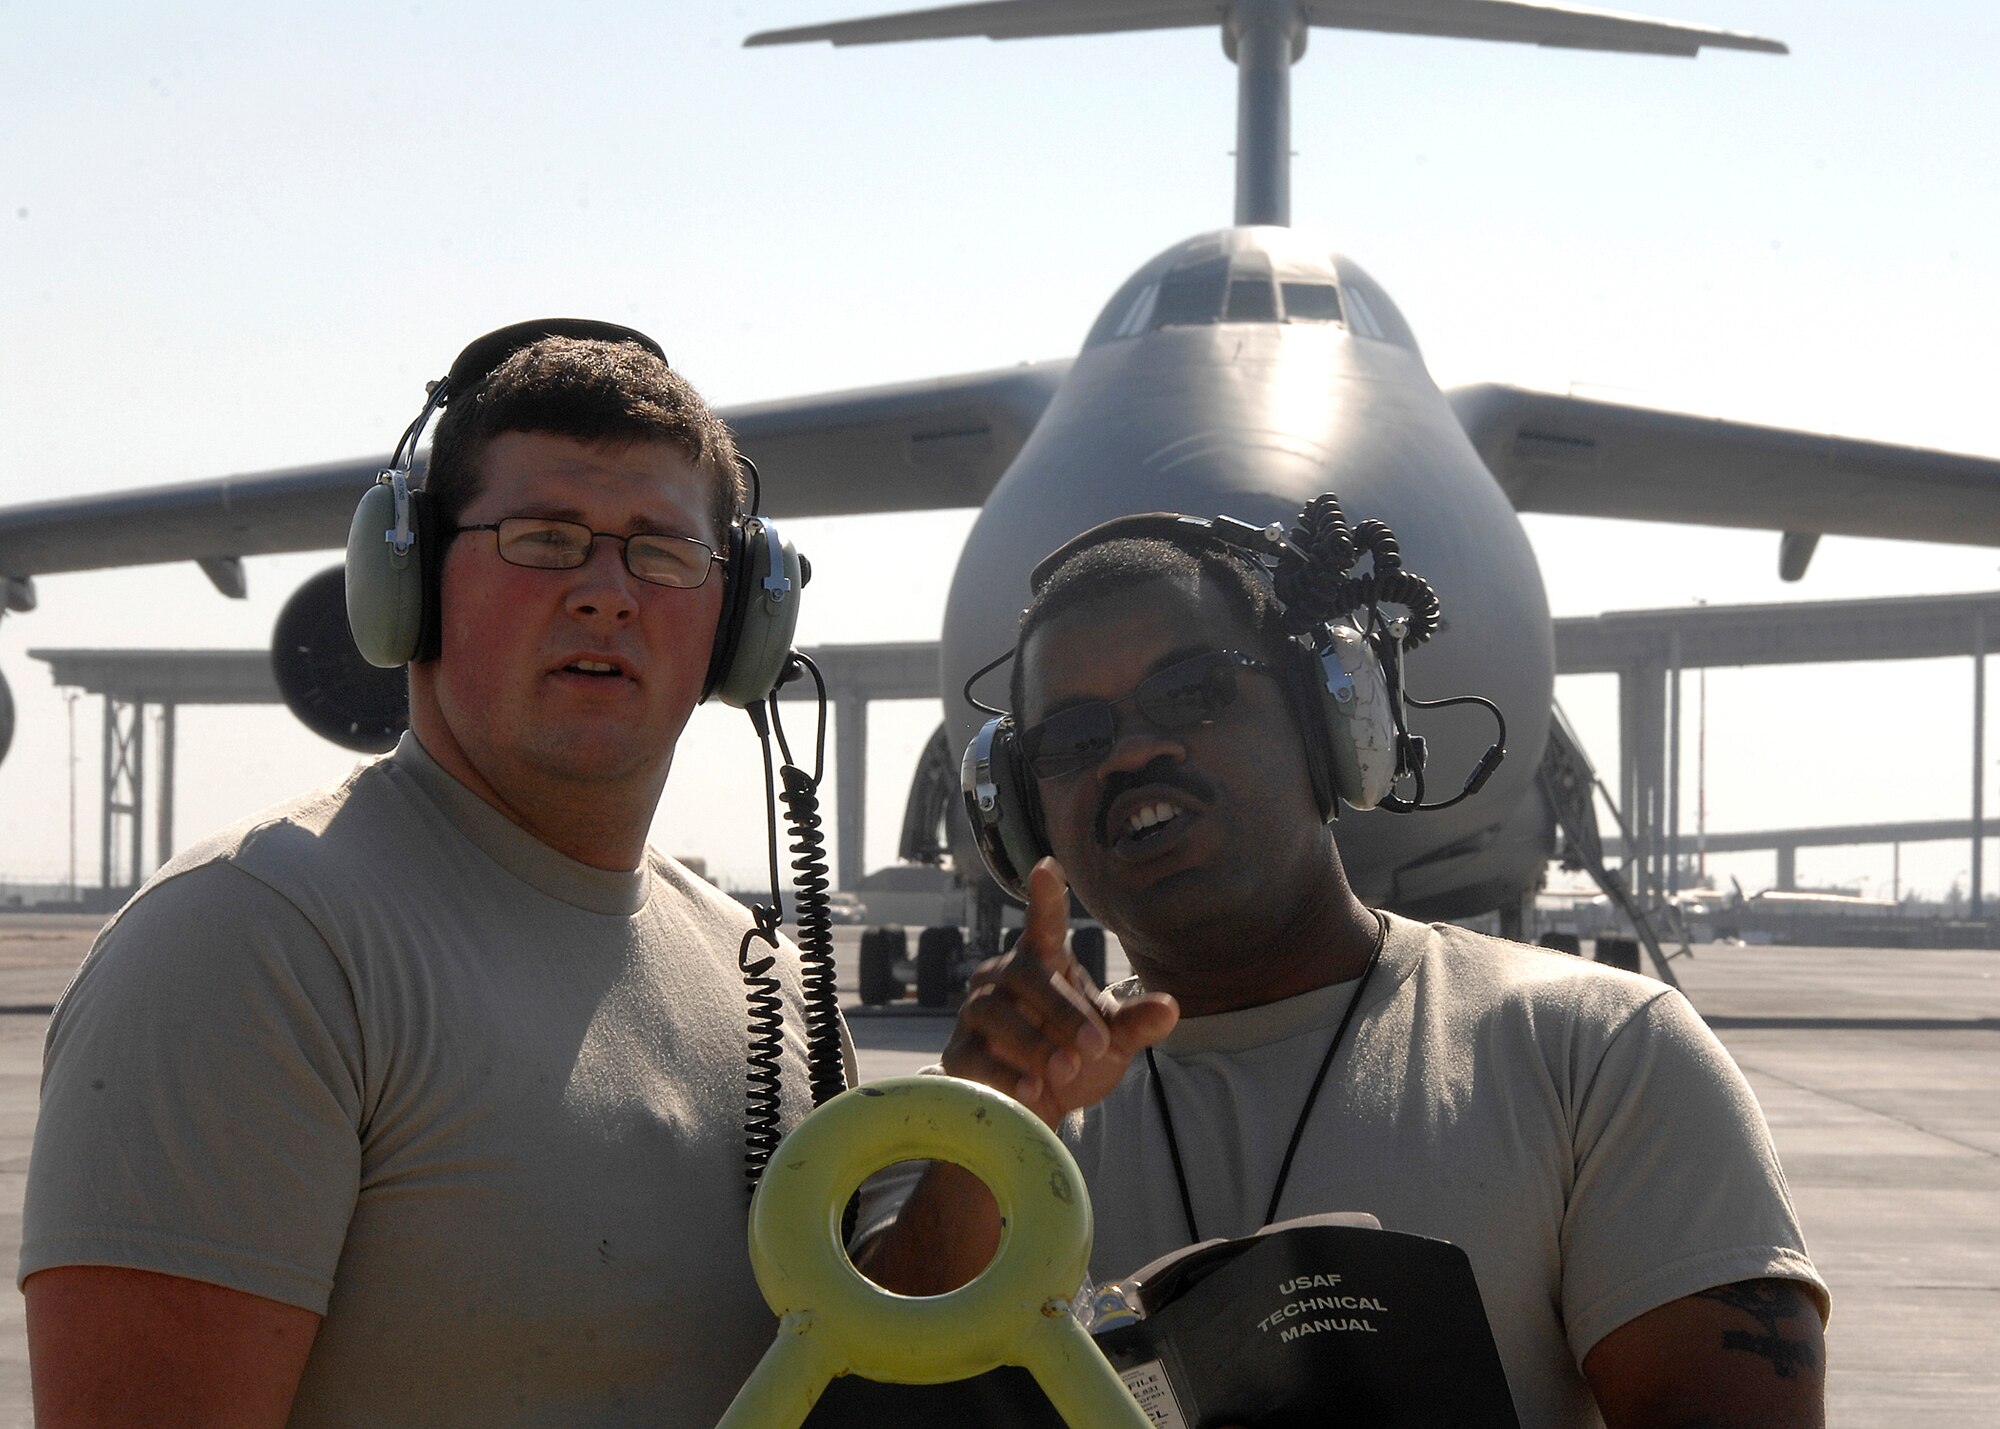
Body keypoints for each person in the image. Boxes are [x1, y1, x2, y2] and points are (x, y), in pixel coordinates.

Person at [20, 322, 847, 1428]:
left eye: (661, 549)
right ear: (403, 584)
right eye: (545, 537)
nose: (607, 591)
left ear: (741, 614)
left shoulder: (778, 992)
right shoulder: (253, 942)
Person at [859, 519, 1829, 1428]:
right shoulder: (963, 1128)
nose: (1135, 750)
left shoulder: (1598, 1057)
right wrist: (986, 1143)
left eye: (1192, 690)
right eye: (1074, 739)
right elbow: (862, 1394)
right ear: (1022, 816)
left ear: (1334, 719)